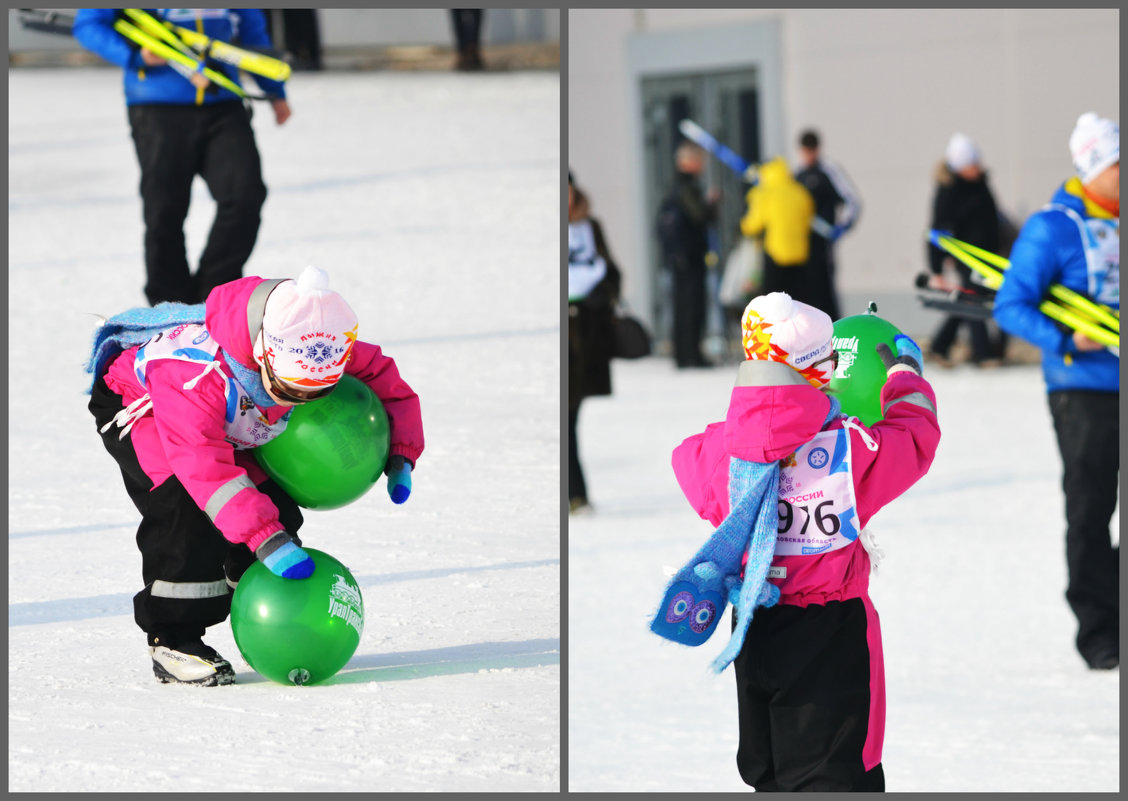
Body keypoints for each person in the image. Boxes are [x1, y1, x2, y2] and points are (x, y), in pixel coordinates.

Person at [85, 266, 424, 685]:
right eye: (293, 390)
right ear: (264, 354)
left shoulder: (318, 340)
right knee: (188, 511)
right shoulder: (194, 375)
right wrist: (265, 538)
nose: (302, 402)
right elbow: (202, 464)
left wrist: (401, 450)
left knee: (277, 511)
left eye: (315, 392)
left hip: (232, 419)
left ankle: (246, 578)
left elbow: (384, 378)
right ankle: (173, 638)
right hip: (145, 410)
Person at [660, 292, 940, 790]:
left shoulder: (721, 452)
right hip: (830, 634)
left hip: (754, 625)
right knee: (835, 773)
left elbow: (685, 456)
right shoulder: (847, 451)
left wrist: (746, 427)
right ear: (816, 371)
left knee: (769, 772)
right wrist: (905, 377)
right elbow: (913, 437)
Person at [993, 112, 1119, 671]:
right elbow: (1010, 305)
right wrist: (1070, 337)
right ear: (1094, 167)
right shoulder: (1052, 226)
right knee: (1091, 508)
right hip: (1082, 390)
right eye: (1118, 165)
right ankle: (1098, 629)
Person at [73, 9, 292, 307]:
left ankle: (213, 297)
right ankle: (167, 306)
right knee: (165, 210)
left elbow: (252, 32)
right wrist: (136, 55)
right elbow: (88, 24)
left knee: (245, 196)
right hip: (157, 107)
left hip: (223, 102)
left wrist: (274, 90)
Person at [925, 133, 1006, 367]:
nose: (977, 167)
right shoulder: (950, 191)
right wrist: (937, 268)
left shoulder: (980, 184)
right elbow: (938, 231)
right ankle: (984, 354)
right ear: (960, 166)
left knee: (969, 300)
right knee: (973, 300)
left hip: (987, 255)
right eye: (972, 164)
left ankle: (939, 346)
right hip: (967, 257)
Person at [568, 171, 621, 514]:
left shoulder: (591, 226)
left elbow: (612, 271)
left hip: (586, 334)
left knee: (571, 415)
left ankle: (576, 494)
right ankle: (575, 493)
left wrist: (602, 296)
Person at [656, 141, 719, 368]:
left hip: (679, 256)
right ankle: (691, 355)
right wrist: (712, 205)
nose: (702, 165)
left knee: (682, 305)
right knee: (692, 306)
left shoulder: (673, 187)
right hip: (689, 256)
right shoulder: (687, 187)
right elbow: (700, 216)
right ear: (689, 162)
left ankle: (683, 354)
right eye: (699, 160)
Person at [795, 129, 862, 320]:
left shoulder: (828, 171)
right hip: (801, 248)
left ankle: (834, 337)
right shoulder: (798, 175)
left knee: (825, 294)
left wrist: (840, 228)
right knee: (805, 295)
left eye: (811, 151)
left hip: (822, 246)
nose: (808, 155)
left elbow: (853, 200)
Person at [739, 157, 816, 307]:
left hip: (775, 254)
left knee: (774, 304)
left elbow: (752, 225)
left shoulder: (764, 193)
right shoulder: (800, 192)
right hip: (800, 255)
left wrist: (742, 226)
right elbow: (808, 219)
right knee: (798, 303)